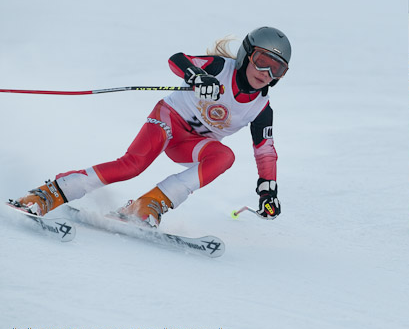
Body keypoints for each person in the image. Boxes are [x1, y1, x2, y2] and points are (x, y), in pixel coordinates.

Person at [13, 26, 291, 227]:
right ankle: (48, 194)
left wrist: (268, 190)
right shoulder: (220, 67)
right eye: (262, 61)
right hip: (168, 120)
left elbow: (265, 152)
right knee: (131, 166)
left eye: (276, 69)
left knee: (224, 156)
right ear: (246, 55)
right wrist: (196, 77)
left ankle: (148, 204)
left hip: (190, 144)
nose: (265, 73)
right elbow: (177, 60)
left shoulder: (261, 109)